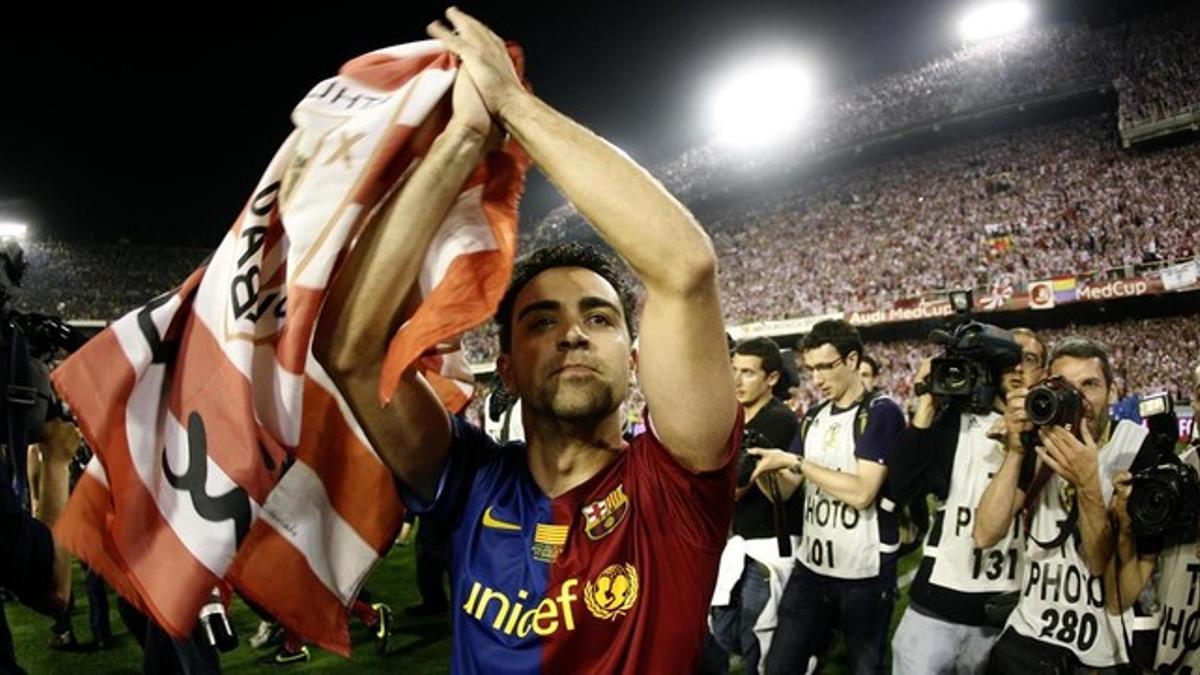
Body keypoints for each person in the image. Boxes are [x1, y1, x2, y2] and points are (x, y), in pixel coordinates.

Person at [312, 8, 739, 674]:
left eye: (599, 317)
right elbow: (352, 352)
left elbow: (684, 268)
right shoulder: (471, 482)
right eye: (541, 321)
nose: (572, 332)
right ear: (505, 370)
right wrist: (462, 139)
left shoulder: (675, 485)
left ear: (635, 361)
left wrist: (511, 104)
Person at [975, 338, 1161, 673]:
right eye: (1065, 386)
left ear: (1113, 392)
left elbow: (1098, 564)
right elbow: (985, 534)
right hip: (1029, 634)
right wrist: (1017, 450)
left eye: (1089, 385)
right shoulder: (1040, 439)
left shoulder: (1134, 447)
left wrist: (1088, 484)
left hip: (1101, 651)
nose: (1077, 398)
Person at [749, 320, 906, 675]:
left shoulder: (881, 412)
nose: (816, 379)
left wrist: (796, 462)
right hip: (813, 567)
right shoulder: (815, 417)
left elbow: (863, 492)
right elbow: (786, 487)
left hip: (864, 571)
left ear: (851, 360)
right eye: (811, 369)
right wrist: (761, 465)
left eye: (824, 366)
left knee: (866, 667)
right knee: (780, 664)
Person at [887, 325, 1042, 674]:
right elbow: (899, 487)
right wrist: (927, 402)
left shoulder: (1053, 433)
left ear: (1044, 372)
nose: (1017, 368)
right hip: (937, 608)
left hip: (1012, 613)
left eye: (1029, 360)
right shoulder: (956, 424)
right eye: (1008, 360)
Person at [704, 338, 800, 675]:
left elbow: (733, 490)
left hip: (767, 547)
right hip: (739, 543)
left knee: (755, 642)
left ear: (771, 378)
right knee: (725, 629)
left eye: (747, 373)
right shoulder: (735, 416)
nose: (736, 381)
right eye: (734, 371)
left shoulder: (778, 420)